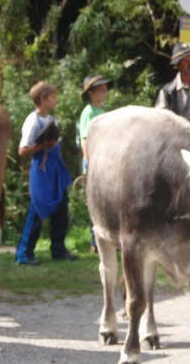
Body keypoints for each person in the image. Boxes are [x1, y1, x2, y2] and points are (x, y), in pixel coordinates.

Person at [15, 81, 75, 265]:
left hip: (54, 168)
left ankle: (58, 248)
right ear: (43, 98)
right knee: (38, 209)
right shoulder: (33, 121)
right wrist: (43, 145)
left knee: (61, 208)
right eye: (52, 97)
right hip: (41, 171)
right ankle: (24, 253)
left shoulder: (51, 120)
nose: (55, 101)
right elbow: (22, 150)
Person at [78, 75, 111, 252]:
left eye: (105, 89)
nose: (104, 92)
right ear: (91, 93)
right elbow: (85, 138)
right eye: (100, 89)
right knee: (95, 202)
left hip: (104, 161)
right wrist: (89, 164)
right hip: (94, 162)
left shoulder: (103, 111)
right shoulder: (88, 112)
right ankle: (95, 241)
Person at [154, 43, 190, 129]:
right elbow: (159, 120)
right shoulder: (168, 92)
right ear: (178, 65)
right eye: (185, 61)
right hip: (180, 140)